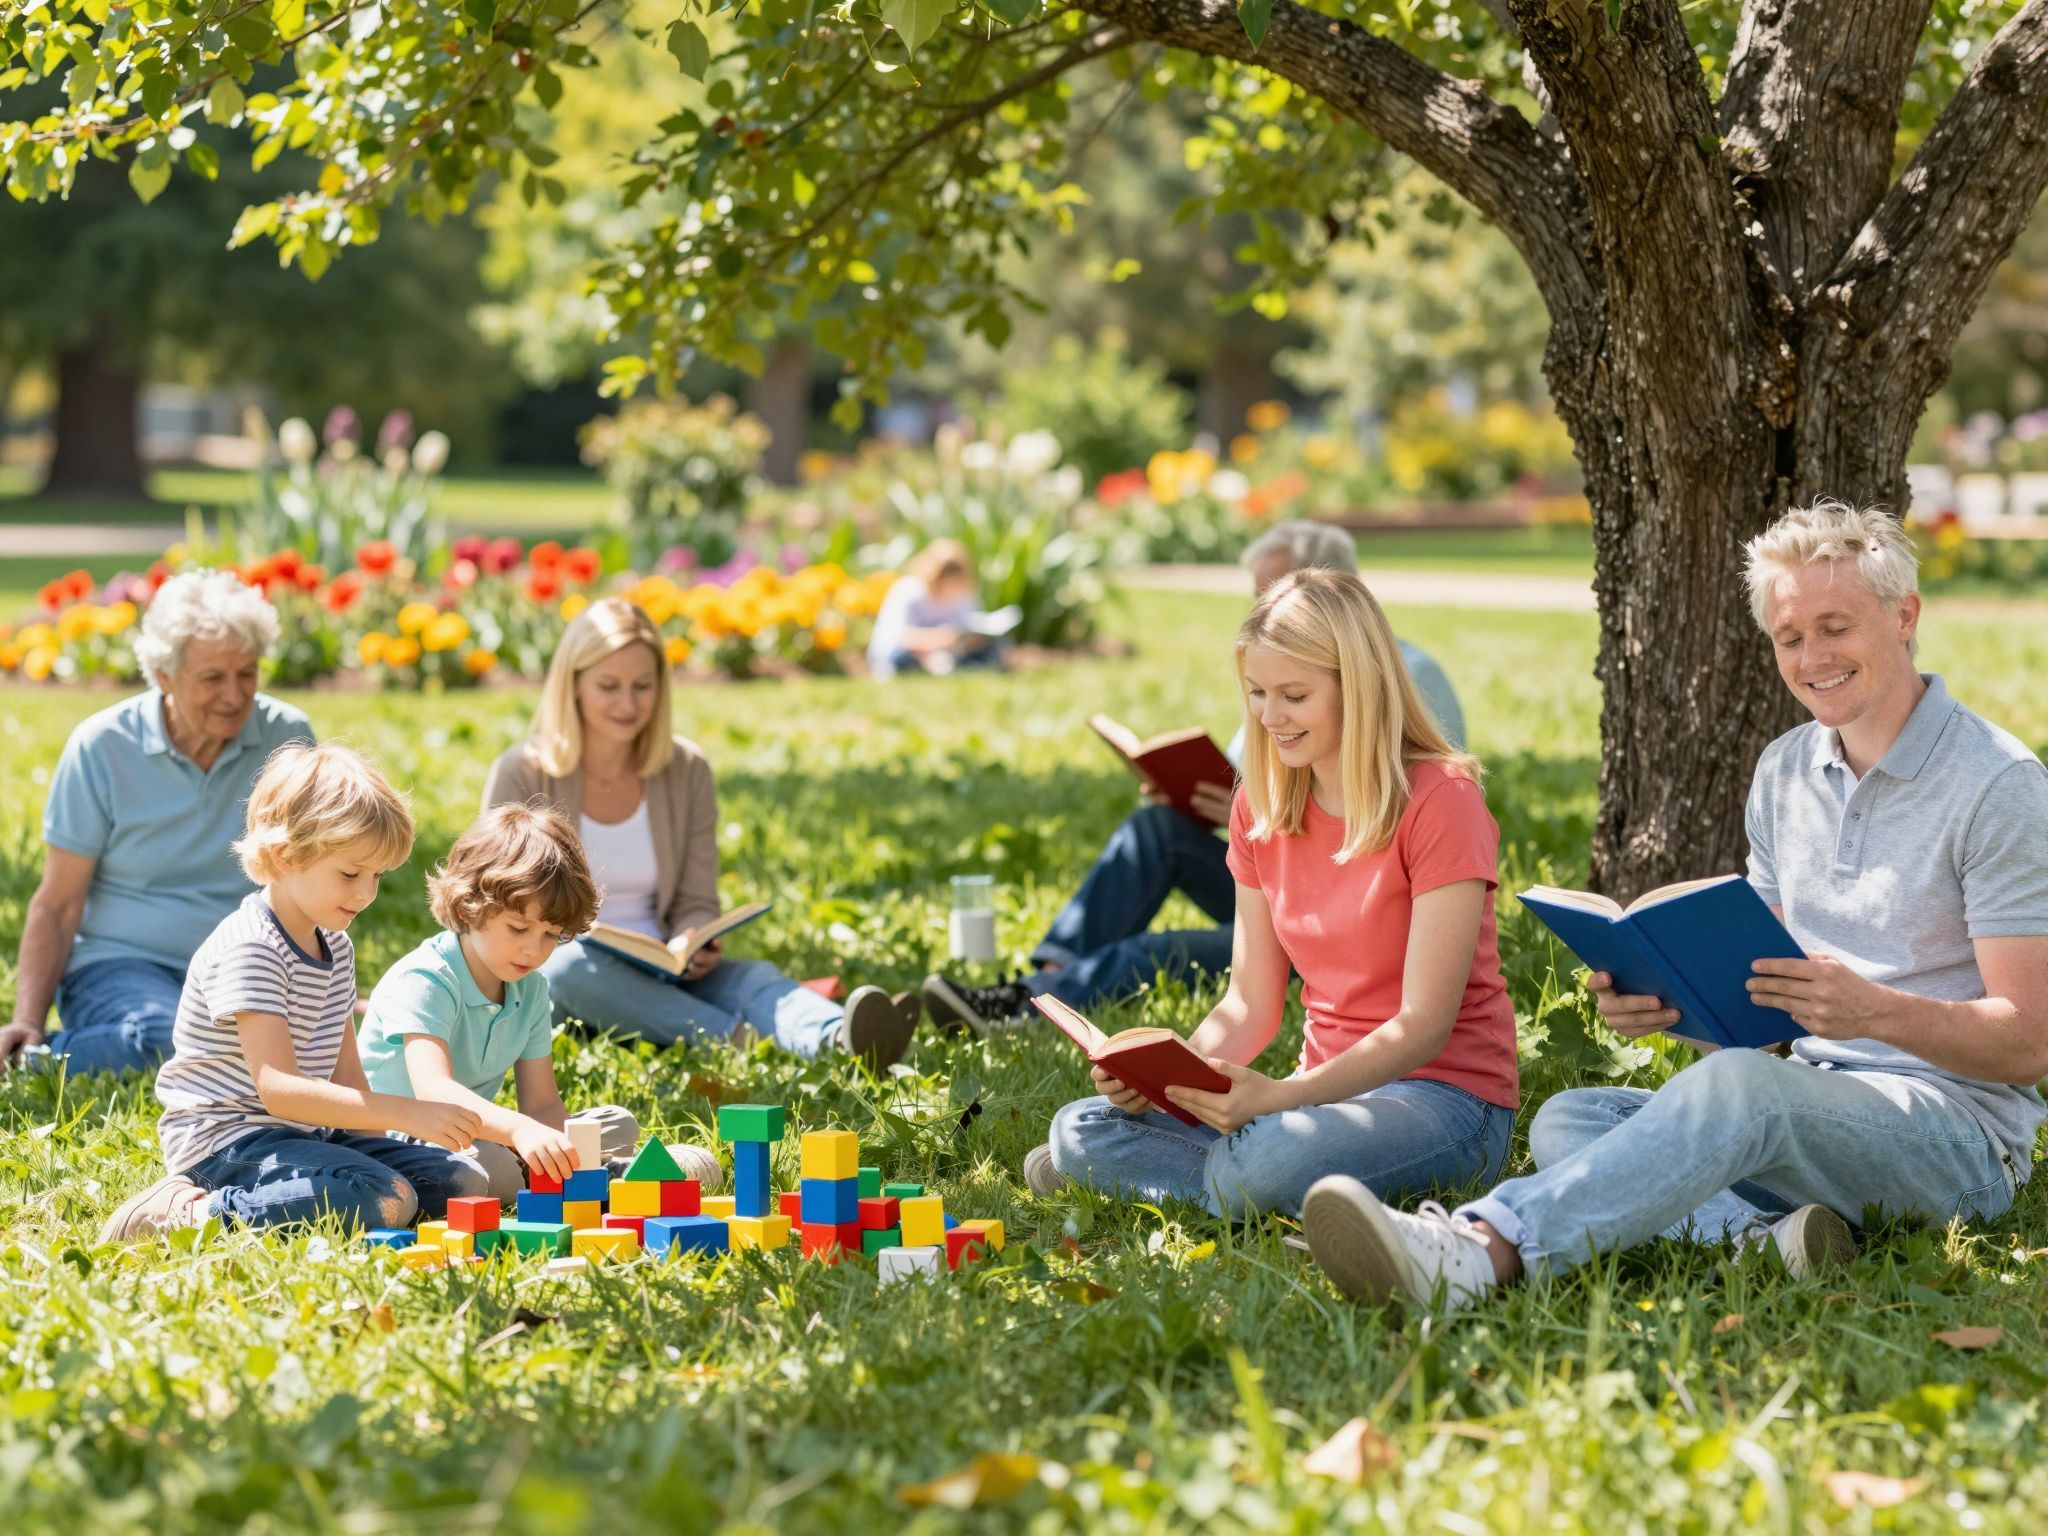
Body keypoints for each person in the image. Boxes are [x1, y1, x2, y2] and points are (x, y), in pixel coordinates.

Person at [1303, 501, 2048, 1307]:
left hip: (1958, 1140)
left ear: (1905, 616)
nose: (1812, 657)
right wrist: (1676, 1001)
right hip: (1808, 1109)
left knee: (1741, 1094)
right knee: (1571, 1121)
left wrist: (1872, 1012)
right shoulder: (1785, 769)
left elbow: (2029, 1042)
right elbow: (1763, 999)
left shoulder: (1996, 786)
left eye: (1836, 626)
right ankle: (1769, 1242)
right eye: (1790, 637)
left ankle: (1480, 1251)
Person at [1023, 568, 1519, 1218]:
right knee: (1079, 1127)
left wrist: (1286, 1100)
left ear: (1359, 687)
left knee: (1266, 1159)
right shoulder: (1261, 805)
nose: (1269, 716)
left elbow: (1423, 1028)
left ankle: (1221, 1180)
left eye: (1293, 695)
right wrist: (1171, 1081)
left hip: (1446, 1100)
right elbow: (1251, 1003)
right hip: (1314, 1103)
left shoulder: (1440, 801)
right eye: (1257, 693)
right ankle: (1262, 1191)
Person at [923, 520, 1465, 1034]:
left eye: (1274, 597)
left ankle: (1034, 998)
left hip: (1344, 907)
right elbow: (1254, 786)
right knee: (1154, 829)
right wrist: (1204, 800)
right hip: (1272, 869)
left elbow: (1391, 821)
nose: (1263, 615)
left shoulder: (1406, 689)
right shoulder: (1278, 697)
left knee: (1151, 954)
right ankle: (1038, 981)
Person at [483, 597, 919, 1065]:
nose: (628, 704)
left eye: (642, 686)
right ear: (573, 686)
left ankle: (841, 1038)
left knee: (751, 979)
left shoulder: (685, 769)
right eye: (609, 686)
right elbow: (492, 896)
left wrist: (695, 938)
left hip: (665, 965)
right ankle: (732, 1036)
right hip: (557, 961)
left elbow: (695, 895)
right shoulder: (523, 771)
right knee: (568, 968)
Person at [99, 743, 489, 1240]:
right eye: (350, 874)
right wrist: (406, 1114)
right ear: (285, 857)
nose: (366, 893)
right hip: (228, 1145)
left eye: (376, 876)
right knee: (381, 1195)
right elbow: (278, 1090)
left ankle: (367, 1187)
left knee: (460, 1181)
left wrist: (384, 1147)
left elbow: (348, 1074)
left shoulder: (336, 947)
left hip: (304, 1134)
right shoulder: (252, 949)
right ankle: (186, 1213)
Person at [3, 569, 313, 1076]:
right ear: (164, 676)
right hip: (118, 962)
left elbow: (307, 878)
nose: (235, 696)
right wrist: (27, 1021)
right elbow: (58, 904)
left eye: (247, 674)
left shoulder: (288, 736)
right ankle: (32, 1059)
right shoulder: (102, 747)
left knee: (300, 1053)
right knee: (166, 1039)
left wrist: (316, 989)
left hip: (241, 964)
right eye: (212, 678)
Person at [357, 802, 722, 1201]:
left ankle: (584, 1173)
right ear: (468, 907)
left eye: (552, 934)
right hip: (403, 1140)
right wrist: (519, 1131)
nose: (533, 949)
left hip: (478, 1136)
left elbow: (542, 1104)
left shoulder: (529, 988)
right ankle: (603, 1176)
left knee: (617, 1123)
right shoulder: (427, 978)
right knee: (490, 1168)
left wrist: (545, 1136)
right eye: (518, 927)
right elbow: (435, 1092)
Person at [866, 539, 1012, 679]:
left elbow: (972, 624)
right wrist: (941, 638)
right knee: (901, 657)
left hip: (949, 652)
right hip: (906, 654)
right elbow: (898, 637)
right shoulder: (909, 591)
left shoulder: (964, 595)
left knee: (993, 646)